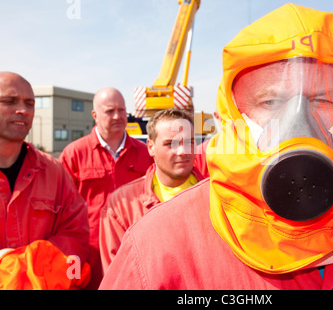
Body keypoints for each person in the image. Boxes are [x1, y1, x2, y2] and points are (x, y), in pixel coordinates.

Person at [100, 4, 333, 290]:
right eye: (271, 100)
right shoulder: (159, 245)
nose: (299, 120)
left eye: (321, 99)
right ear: (234, 115)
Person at [0, 71, 90, 289]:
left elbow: (76, 241)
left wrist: (13, 264)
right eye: (10, 101)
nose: (23, 110)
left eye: (29, 103)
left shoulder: (53, 172)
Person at [59, 87, 153, 288]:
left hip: (134, 247)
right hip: (88, 252)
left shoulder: (145, 154)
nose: (118, 116)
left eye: (122, 110)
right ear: (95, 115)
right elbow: (60, 208)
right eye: (110, 111)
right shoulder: (74, 154)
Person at [99, 109, 206, 272]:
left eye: (189, 142)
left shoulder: (216, 196)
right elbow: (117, 274)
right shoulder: (122, 205)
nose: (182, 151)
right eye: (171, 144)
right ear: (150, 147)